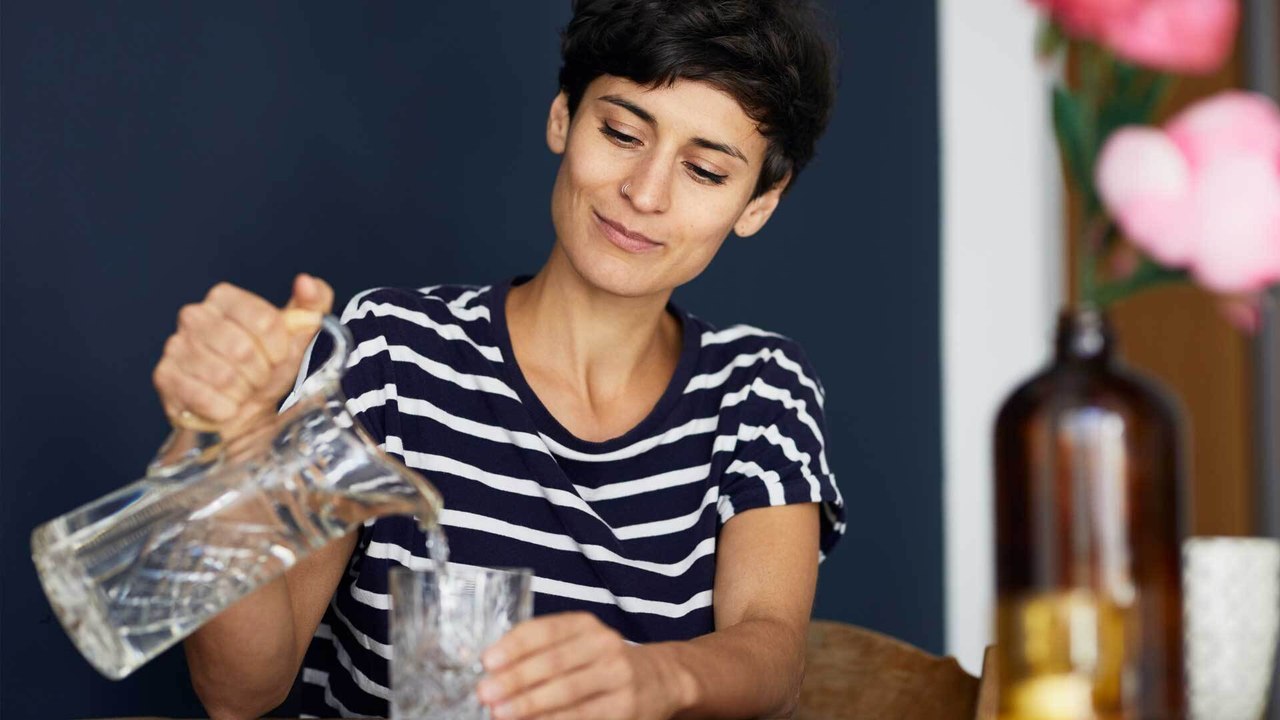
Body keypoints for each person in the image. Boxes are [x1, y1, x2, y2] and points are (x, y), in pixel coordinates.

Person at [156, 1, 845, 717]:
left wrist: (656, 679)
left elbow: (772, 654)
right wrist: (219, 456)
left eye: (704, 170)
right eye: (620, 132)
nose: (644, 193)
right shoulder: (391, 351)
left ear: (759, 202)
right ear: (562, 119)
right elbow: (240, 692)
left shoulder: (760, 391)